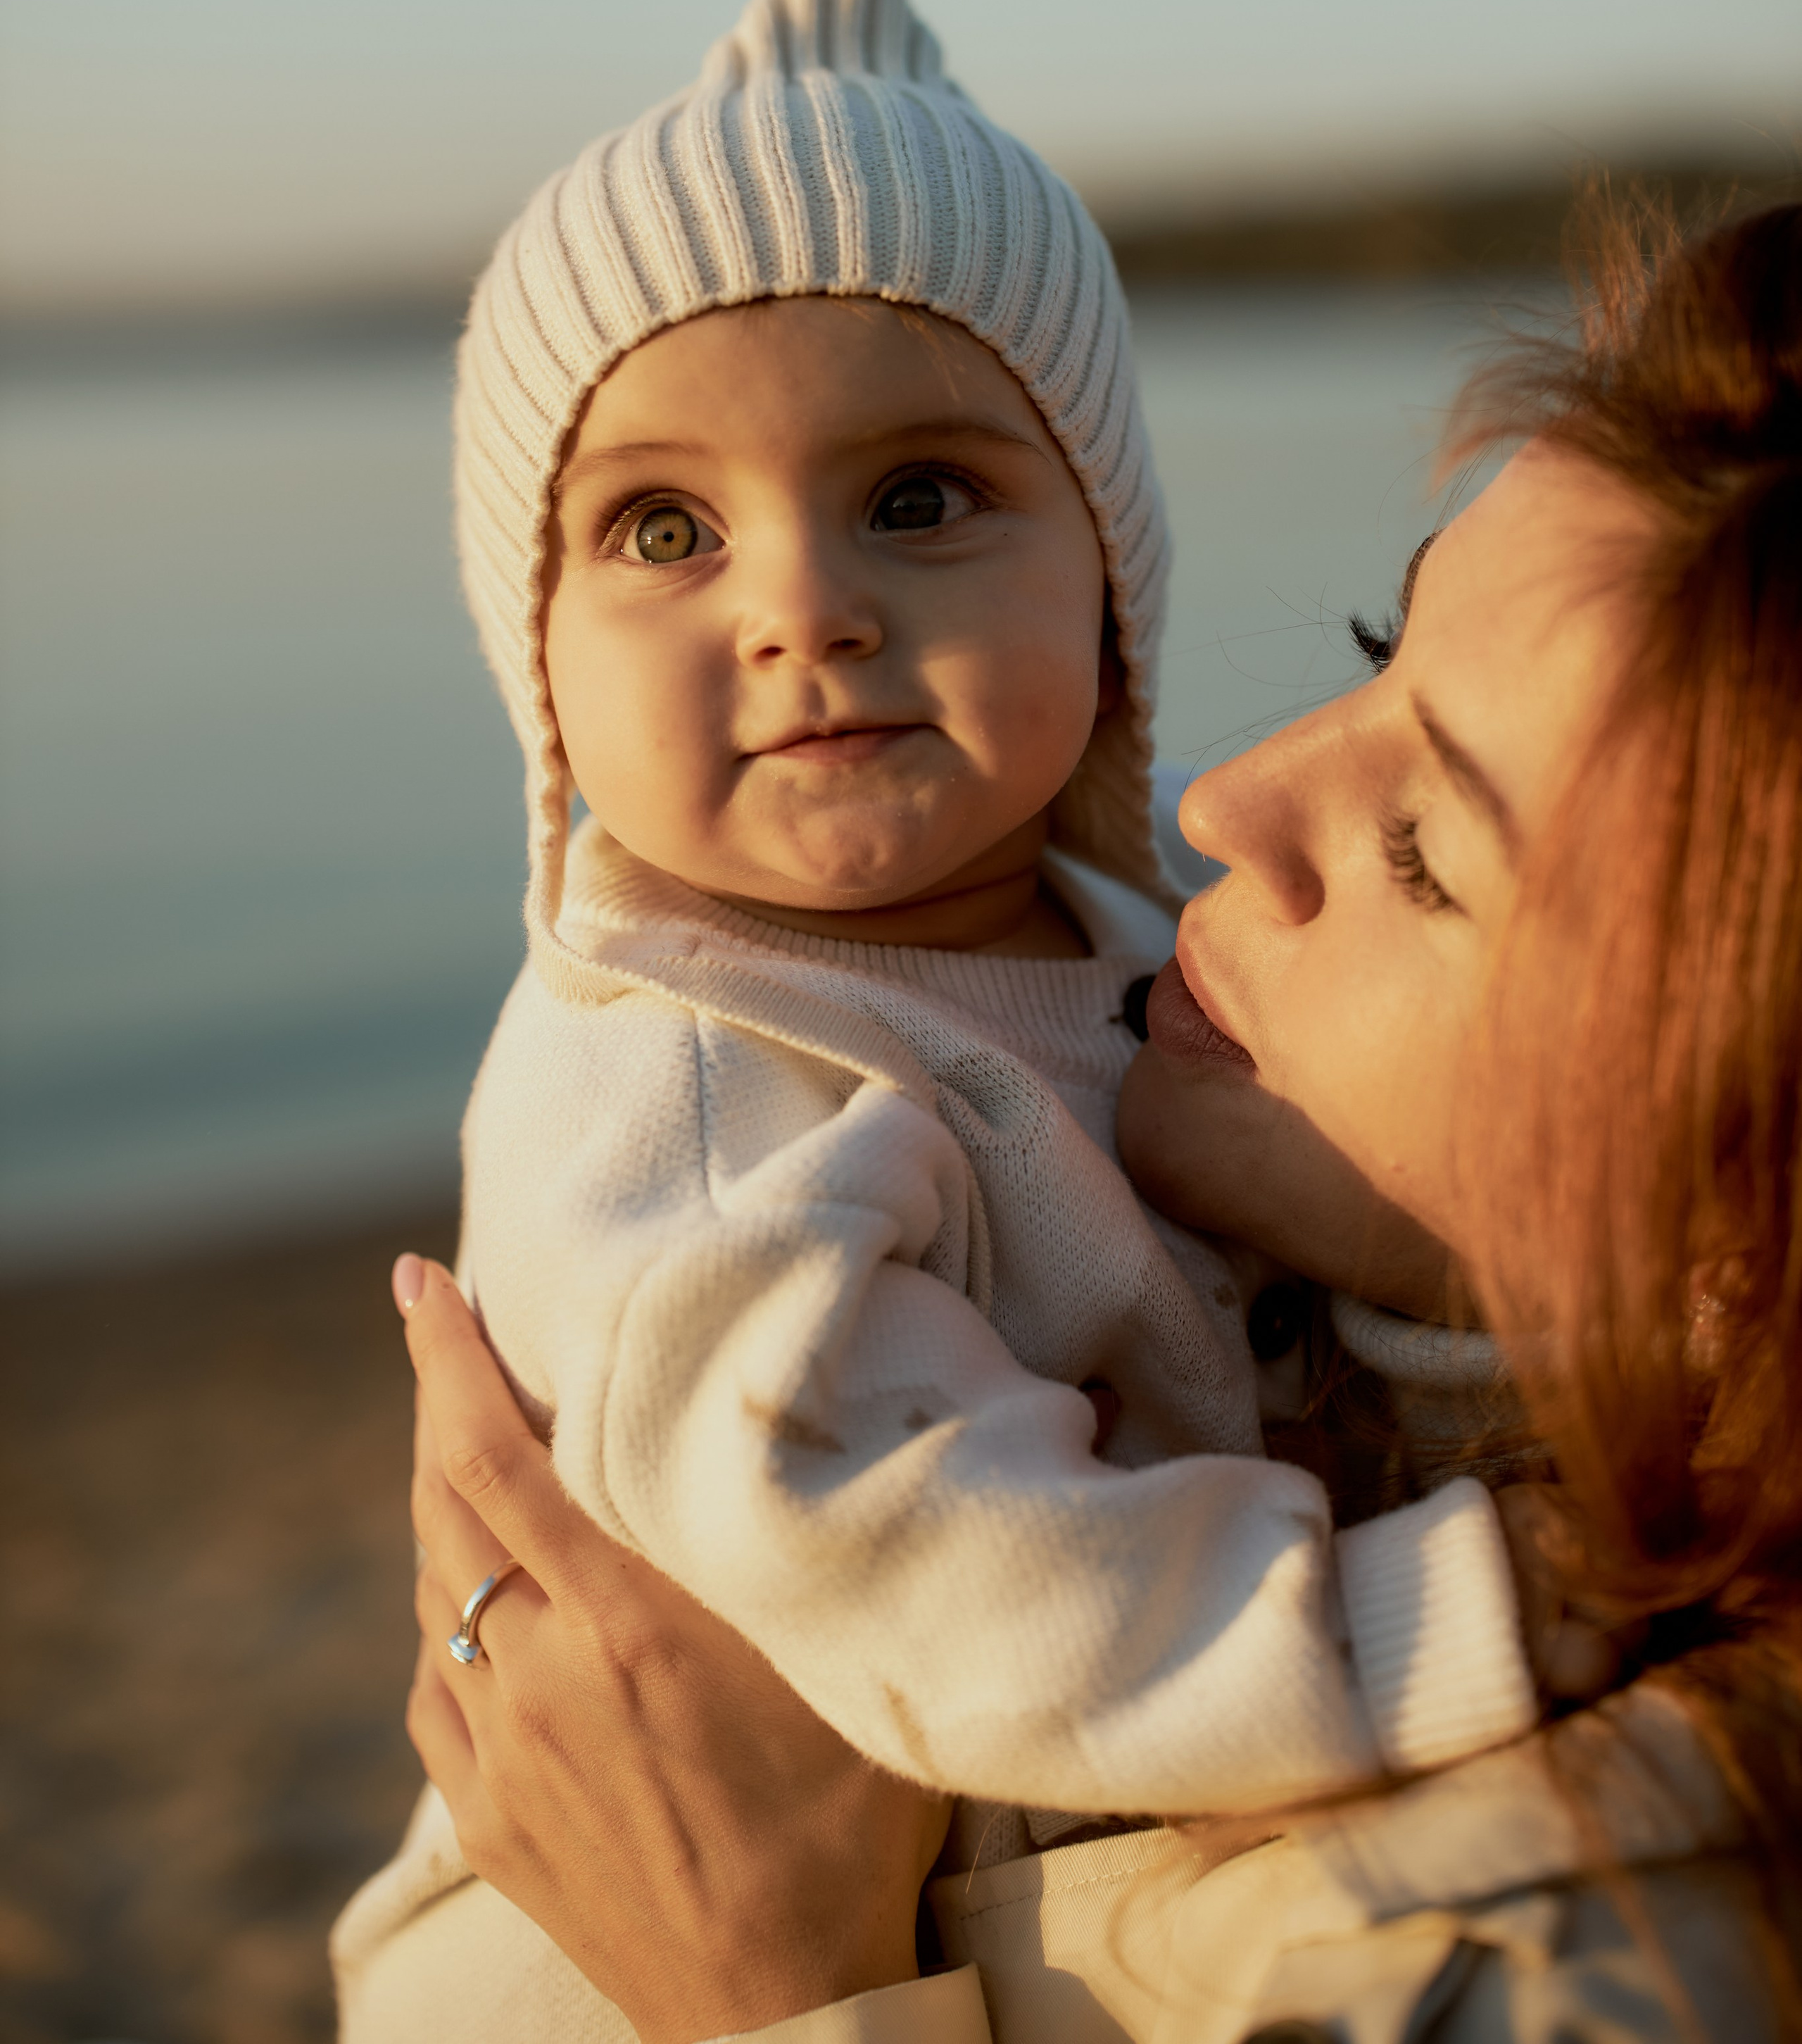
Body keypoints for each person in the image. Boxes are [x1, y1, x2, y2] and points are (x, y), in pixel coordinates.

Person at [388, 199, 1801, 2041]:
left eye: (1417, 853)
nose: (1228, 802)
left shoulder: (1584, 1961)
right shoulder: (706, 1103)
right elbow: (850, 1524)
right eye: (1381, 647)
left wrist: (787, 2003)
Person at [332, 0, 1546, 2035]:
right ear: (530, 654)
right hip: (605, 1964)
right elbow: (912, 1558)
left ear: (1112, 573)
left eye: (918, 497)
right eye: (657, 531)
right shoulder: (688, 1093)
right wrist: (1466, 1616)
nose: (803, 608)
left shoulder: (1125, 960)